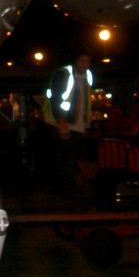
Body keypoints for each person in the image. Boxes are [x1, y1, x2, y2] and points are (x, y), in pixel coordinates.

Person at [44, 52, 93, 197]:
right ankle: (66, 189)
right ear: (75, 61)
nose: (84, 65)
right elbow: (56, 97)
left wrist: (85, 121)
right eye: (82, 61)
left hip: (76, 123)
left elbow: (85, 100)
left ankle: (67, 187)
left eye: (87, 62)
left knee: (69, 156)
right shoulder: (63, 74)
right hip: (62, 122)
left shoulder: (86, 76)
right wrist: (60, 119)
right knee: (64, 156)